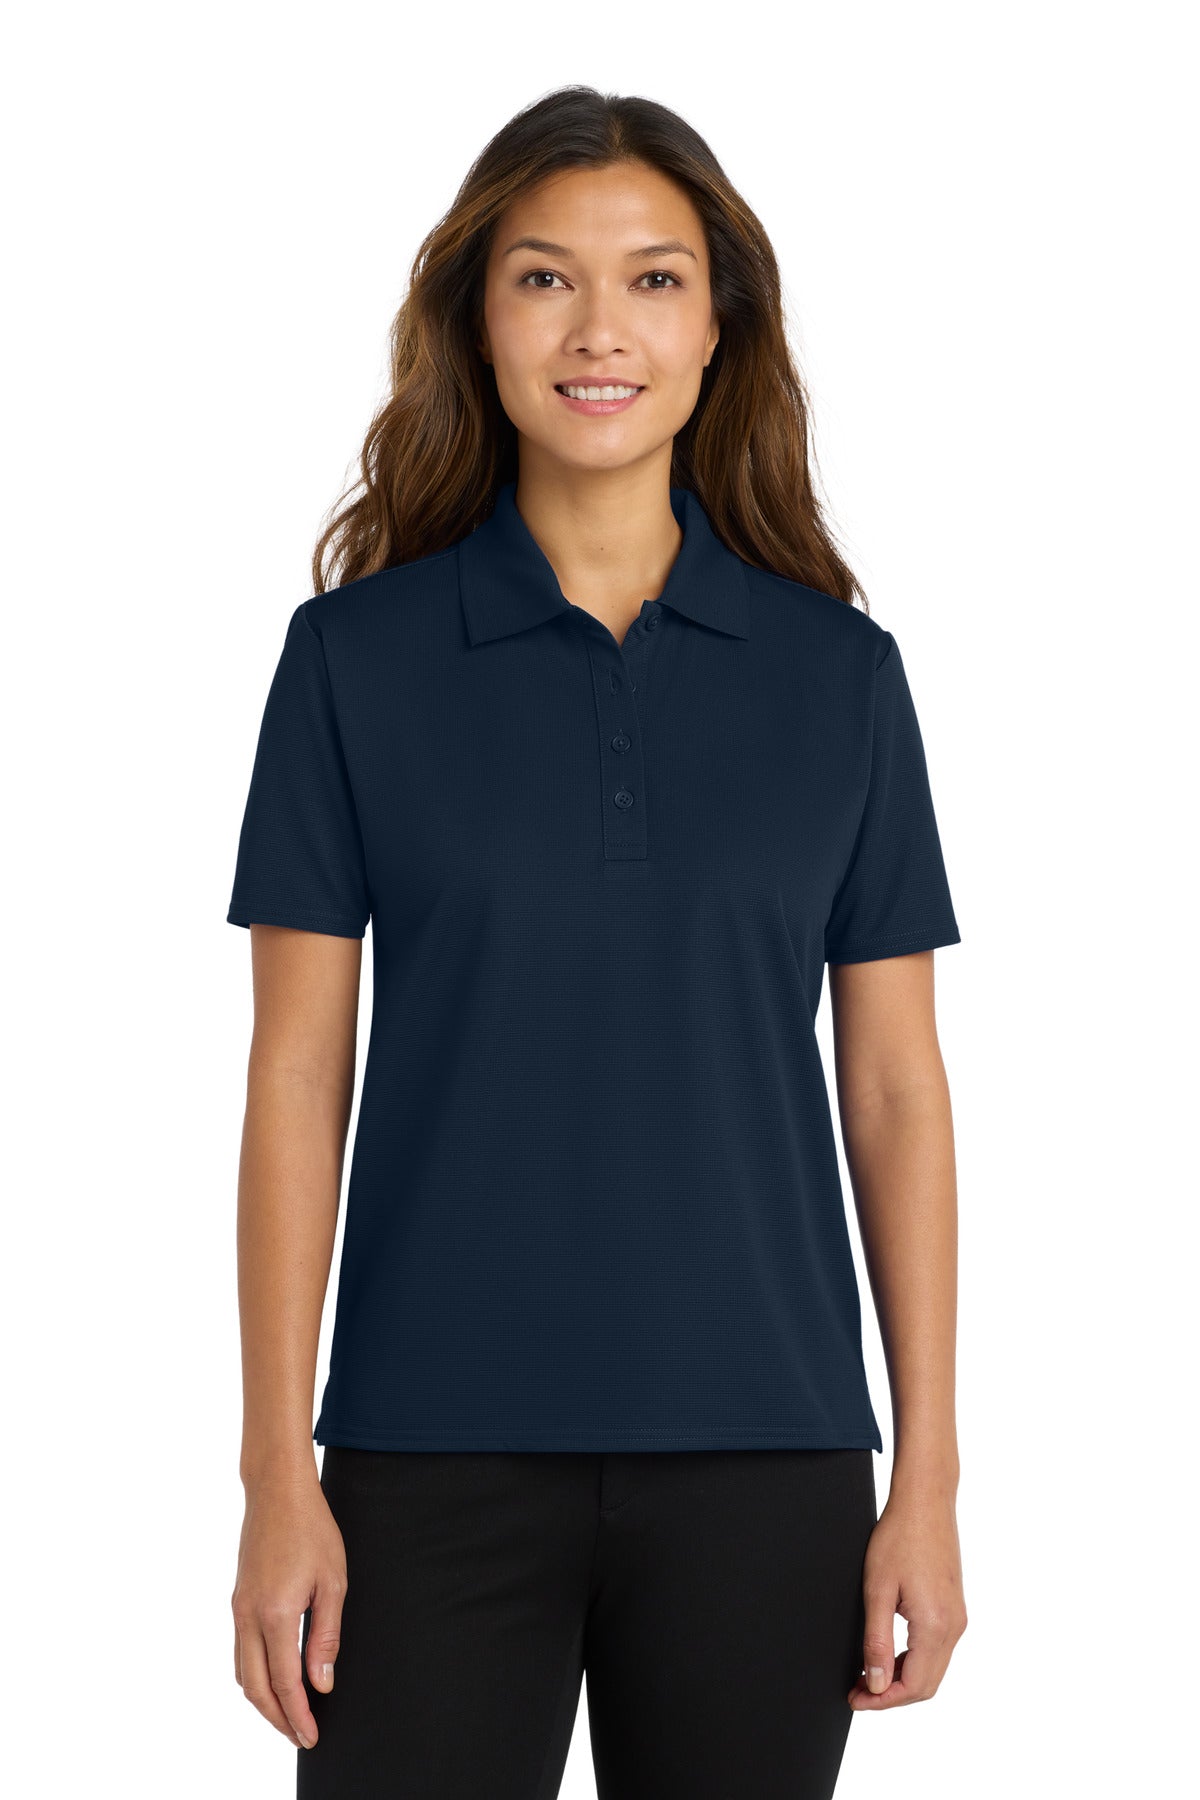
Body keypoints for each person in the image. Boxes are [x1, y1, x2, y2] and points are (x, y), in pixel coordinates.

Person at [227, 85, 968, 1800]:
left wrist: (927, 1475)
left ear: (719, 329)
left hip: (768, 1457)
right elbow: (295, 1080)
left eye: (653, 279)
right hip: (421, 1454)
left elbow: (896, 1093)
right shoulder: (351, 663)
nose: (599, 330)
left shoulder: (841, 679)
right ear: (478, 322)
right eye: (545, 278)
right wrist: (276, 1472)